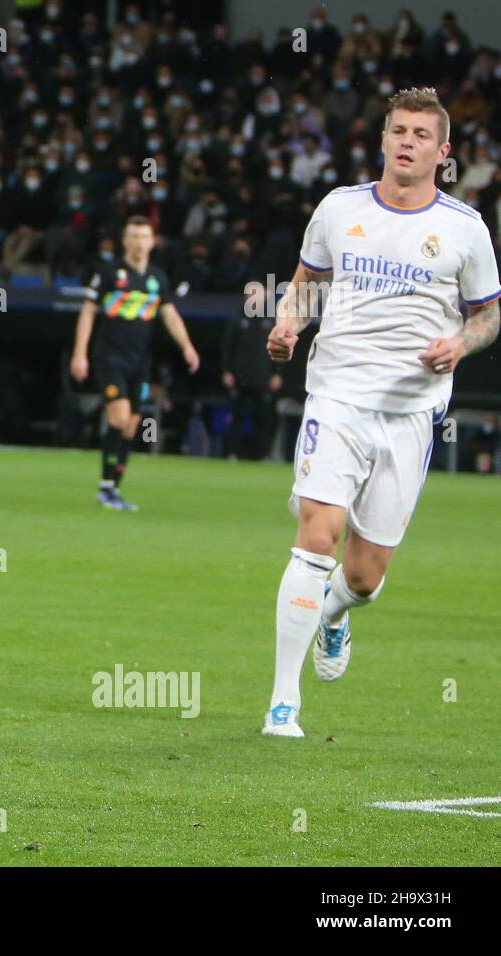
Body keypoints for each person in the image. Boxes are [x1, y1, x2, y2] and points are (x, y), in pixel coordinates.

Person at [262, 88, 499, 738]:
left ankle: (335, 613)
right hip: (336, 397)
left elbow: (488, 315)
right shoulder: (339, 209)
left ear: (443, 151)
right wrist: (288, 325)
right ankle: (284, 701)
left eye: (423, 135)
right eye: (399, 130)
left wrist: (461, 343)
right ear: (383, 137)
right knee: (316, 535)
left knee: (364, 576)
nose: (407, 142)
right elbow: (305, 285)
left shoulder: (464, 229)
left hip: (410, 414)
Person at [69, 217, 200, 510]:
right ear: (124, 241)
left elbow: (170, 315)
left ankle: (113, 488)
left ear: (153, 242)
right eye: (134, 236)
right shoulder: (107, 274)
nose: (140, 242)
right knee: (117, 417)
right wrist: (80, 353)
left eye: (145, 237)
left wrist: (187, 346)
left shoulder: (157, 278)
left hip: (139, 362)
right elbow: (88, 313)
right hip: (109, 357)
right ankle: (105, 488)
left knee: (130, 427)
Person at [221, 285, 282, 460]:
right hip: (240, 378)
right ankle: (232, 452)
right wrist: (226, 371)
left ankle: (262, 454)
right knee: (236, 418)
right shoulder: (238, 318)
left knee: (263, 419)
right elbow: (228, 347)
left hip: (262, 379)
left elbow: (279, 349)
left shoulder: (270, 319)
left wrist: (277, 373)